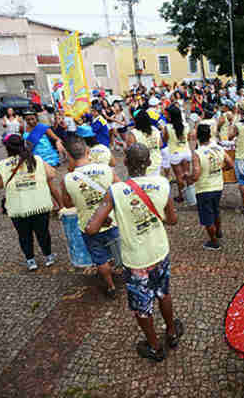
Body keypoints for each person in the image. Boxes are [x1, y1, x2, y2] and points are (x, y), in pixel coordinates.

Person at [85, 143, 183, 362]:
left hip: (136, 259)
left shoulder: (115, 191)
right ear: (149, 163)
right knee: (163, 292)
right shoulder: (162, 183)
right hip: (159, 251)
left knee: (142, 305)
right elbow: (173, 220)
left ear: (125, 163)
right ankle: (172, 332)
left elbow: (91, 228)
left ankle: (155, 346)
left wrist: (109, 219)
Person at [61, 134, 121, 298]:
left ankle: (110, 286)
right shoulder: (106, 169)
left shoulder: (67, 179)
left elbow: (67, 204)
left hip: (88, 226)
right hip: (112, 221)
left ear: (68, 155)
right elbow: (120, 190)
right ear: (88, 151)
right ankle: (128, 278)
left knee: (99, 258)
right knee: (120, 252)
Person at [0, 134, 61, 270]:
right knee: (43, 232)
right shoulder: (36, 159)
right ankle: (48, 256)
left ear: (7, 148)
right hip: (39, 204)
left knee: (24, 235)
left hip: (18, 207)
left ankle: (30, 260)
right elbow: (52, 174)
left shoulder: (2, 164)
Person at [189, 124, 234, 250]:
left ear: (198, 137)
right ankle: (218, 231)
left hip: (204, 188)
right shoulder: (218, 148)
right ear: (209, 135)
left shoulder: (197, 153)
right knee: (216, 210)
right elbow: (230, 163)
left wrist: (189, 178)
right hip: (218, 186)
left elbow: (196, 174)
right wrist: (220, 169)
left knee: (207, 216)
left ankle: (214, 242)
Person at [163, 104, 191, 202]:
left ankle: (181, 196)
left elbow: (165, 140)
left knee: (179, 176)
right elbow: (189, 137)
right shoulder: (186, 126)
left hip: (174, 153)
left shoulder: (167, 127)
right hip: (186, 152)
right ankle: (190, 195)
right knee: (187, 174)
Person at [126, 111, 162, 177]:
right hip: (156, 162)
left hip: (141, 166)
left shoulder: (133, 133)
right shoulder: (155, 130)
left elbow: (130, 152)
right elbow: (160, 144)